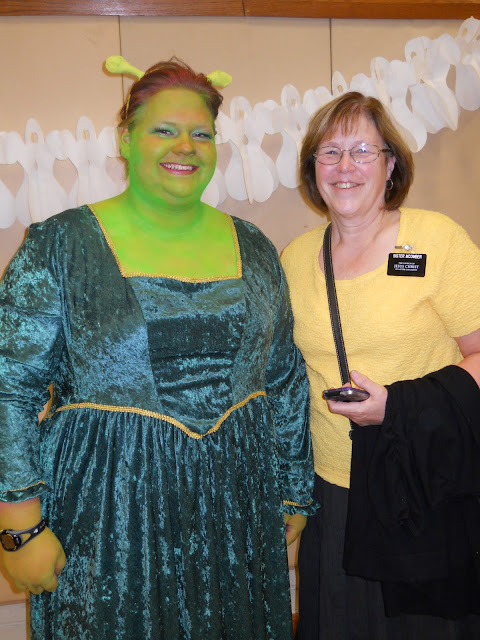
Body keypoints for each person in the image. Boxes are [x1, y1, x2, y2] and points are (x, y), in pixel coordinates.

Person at [0, 58, 316, 640]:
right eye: (164, 130)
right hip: (109, 514)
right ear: (125, 138)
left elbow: (284, 376)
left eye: (202, 134)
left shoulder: (255, 246)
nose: (185, 147)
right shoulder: (60, 244)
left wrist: (294, 489)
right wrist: (20, 525)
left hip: (236, 506)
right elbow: (9, 387)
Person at [280, 91, 480, 639]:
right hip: (333, 492)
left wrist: (401, 408)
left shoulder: (436, 240)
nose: (345, 166)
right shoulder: (295, 259)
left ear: (390, 164)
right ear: (313, 168)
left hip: (420, 485)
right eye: (330, 152)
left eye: (363, 150)